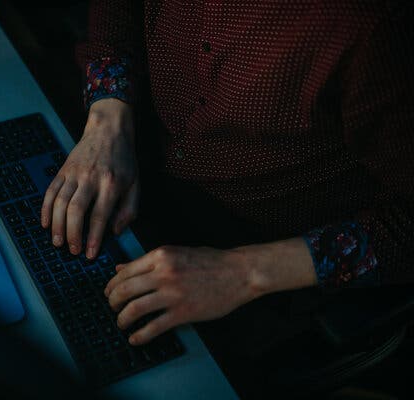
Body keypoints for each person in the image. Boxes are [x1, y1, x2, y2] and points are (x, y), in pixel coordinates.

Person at [40, 0, 413, 394]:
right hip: (133, 143)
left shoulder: (376, 29)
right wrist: (108, 117)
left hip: (264, 253)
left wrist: (245, 273)